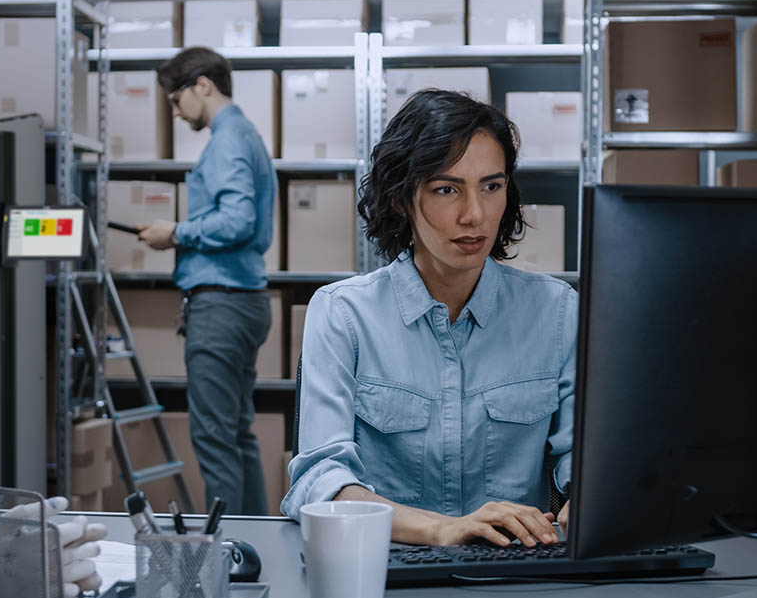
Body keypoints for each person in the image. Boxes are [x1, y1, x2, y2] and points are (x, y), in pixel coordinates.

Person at [281, 89, 576, 547]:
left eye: (491, 187)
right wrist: (442, 530)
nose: (474, 214)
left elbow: (586, 462)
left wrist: (585, 505)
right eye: (446, 189)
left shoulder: (556, 312)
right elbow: (320, 482)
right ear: (401, 199)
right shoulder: (343, 314)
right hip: (386, 572)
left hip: (514, 576)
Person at [137, 47, 277, 516]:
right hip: (245, 300)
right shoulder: (247, 135)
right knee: (237, 435)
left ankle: (228, 556)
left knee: (216, 440)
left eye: (176, 100)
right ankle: (253, 543)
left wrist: (175, 232)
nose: (175, 113)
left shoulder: (227, 140)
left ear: (202, 85)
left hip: (220, 304)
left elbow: (237, 220)